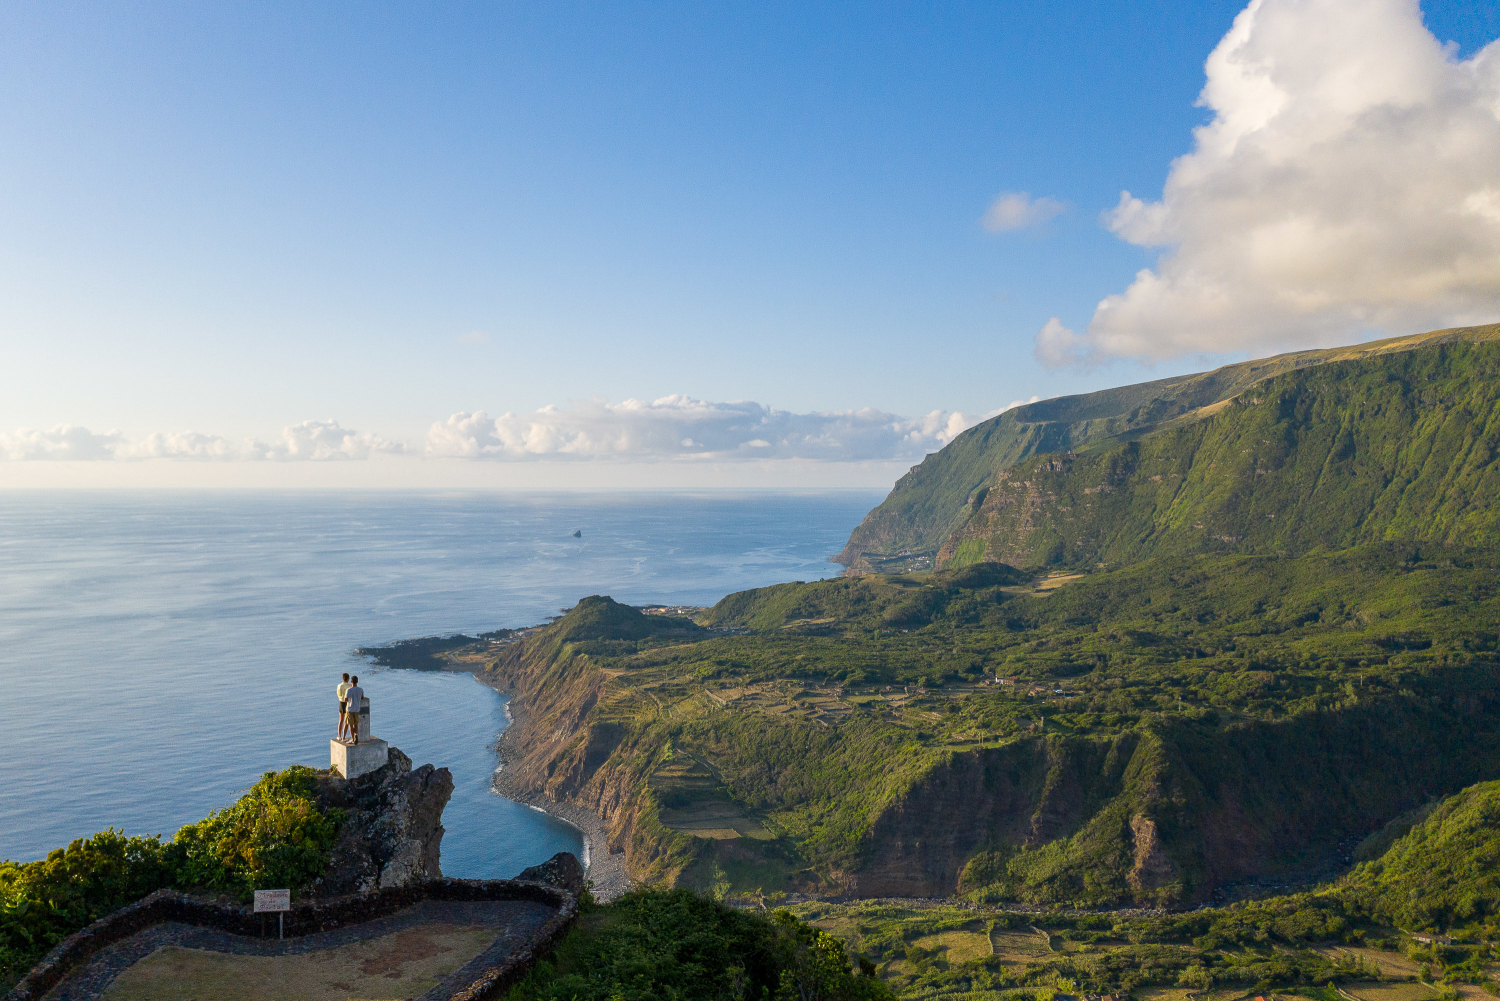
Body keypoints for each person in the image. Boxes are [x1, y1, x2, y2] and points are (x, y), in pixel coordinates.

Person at [344, 676, 364, 745]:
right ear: (357, 681)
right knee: (356, 724)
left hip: (349, 709)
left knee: (350, 724)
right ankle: (356, 735)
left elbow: (345, 699)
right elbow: (362, 697)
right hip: (357, 709)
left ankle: (352, 739)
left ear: (351, 682)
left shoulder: (348, 690)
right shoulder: (361, 689)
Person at [336, 673, 351, 740]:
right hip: (347, 703)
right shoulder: (350, 686)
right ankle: (344, 737)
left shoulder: (339, 686)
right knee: (347, 721)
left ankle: (339, 735)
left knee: (341, 720)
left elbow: (338, 694)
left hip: (341, 703)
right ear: (348, 678)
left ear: (343, 678)